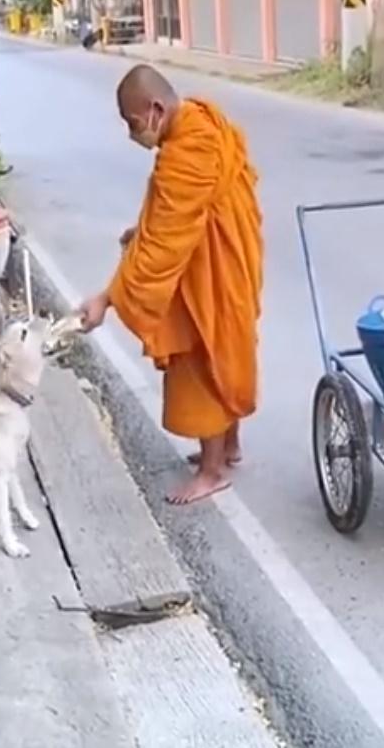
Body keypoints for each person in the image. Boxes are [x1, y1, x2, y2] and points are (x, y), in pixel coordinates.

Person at [78, 64, 263, 505]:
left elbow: (165, 243)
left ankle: (213, 470)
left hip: (207, 271)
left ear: (156, 110)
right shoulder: (203, 120)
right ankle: (230, 446)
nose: (132, 135)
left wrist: (106, 298)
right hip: (231, 260)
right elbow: (169, 217)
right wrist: (140, 233)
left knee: (201, 355)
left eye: (133, 123)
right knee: (226, 347)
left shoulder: (187, 152)